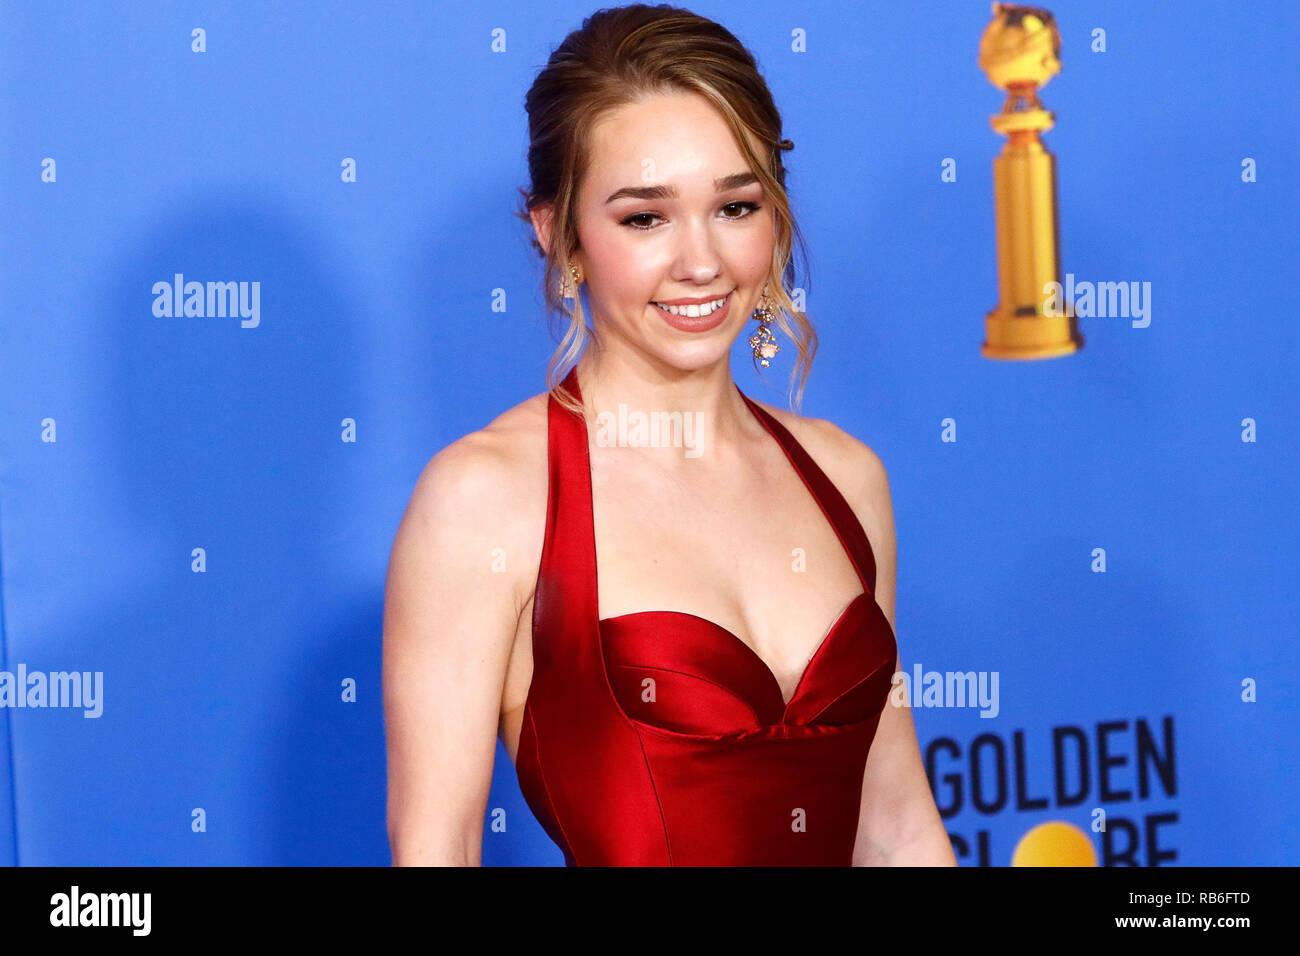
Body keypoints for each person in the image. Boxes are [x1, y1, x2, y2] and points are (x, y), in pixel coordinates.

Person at [383, 3, 955, 866]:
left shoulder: (846, 477)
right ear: (559, 233)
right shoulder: (486, 502)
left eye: (735, 205)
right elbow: (437, 848)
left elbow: (898, 828)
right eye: (645, 218)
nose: (700, 262)